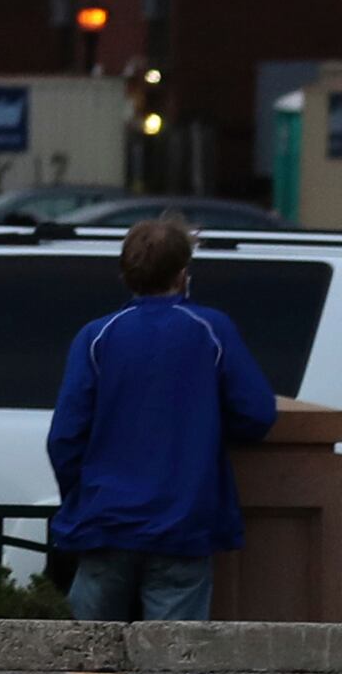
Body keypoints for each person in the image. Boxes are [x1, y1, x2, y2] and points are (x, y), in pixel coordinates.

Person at [46, 214, 276, 622]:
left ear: (126, 273)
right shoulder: (210, 329)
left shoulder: (98, 335)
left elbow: (65, 437)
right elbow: (256, 413)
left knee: (84, 654)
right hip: (183, 523)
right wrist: (207, 429)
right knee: (173, 661)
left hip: (106, 523)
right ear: (183, 272)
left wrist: (80, 499)